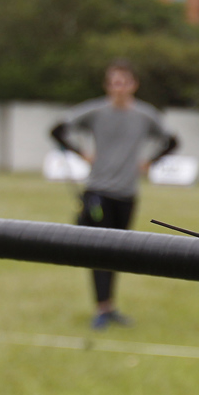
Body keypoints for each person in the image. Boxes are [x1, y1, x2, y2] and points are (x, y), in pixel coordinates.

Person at [51, 60, 179, 330]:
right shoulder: (95, 111)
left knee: (118, 253)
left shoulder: (145, 116)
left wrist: (149, 162)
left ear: (133, 85)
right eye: (113, 82)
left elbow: (172, 141)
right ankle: (101, 309)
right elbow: (57, 130)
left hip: (128, 193)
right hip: (98, 192)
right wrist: (81, 153)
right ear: (107, 85)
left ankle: (110, 306)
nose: (118, 87)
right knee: (98, 251)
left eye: (124, 82)